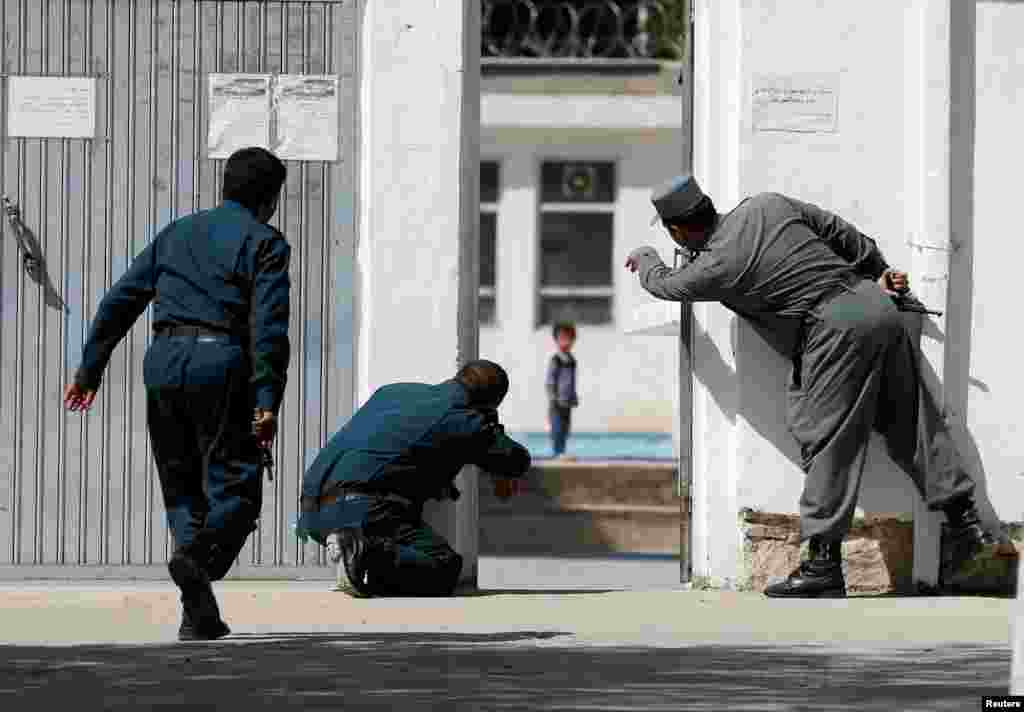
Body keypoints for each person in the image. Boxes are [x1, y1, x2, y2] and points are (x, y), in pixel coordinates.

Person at [625, 174, 999, 598]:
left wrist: (647, 257)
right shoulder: (766, 205)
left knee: (826, 438)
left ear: (677, 230)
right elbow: (843, 233)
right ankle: (970, 532)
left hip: (832, 331)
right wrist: (880, 274)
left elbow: (665, 285)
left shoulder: (715, 267)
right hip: (877, 307)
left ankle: (822, 565)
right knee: (911, 424)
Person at [64, 147, 291, 637]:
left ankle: (198, 615)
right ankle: (196, 559)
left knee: (181, 483)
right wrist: (267, 400)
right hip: (221, 361)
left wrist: (90, 370)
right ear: (271, 199)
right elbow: (268, 327)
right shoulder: (266, 243)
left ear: (225, 186)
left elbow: (121, 299)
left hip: (164, 361)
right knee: (236, 490)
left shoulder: (178, 232)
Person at [296, 360, 531, 598]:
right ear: (490, 401)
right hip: (360, 509)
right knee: (444, 566)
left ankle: (361, 560)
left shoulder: (392, 391)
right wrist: (492, 422)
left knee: (394, 560)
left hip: (312, 512)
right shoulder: (464, 420)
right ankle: (363, 551)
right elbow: (517, 460)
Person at [545, 322, 579, 458]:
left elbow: (571, 380)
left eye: (569, 338)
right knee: (557, 427)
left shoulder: (571, 360)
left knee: (566, 427)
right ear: (556, 340)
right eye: (563, 338)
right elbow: (550, 379)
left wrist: (573, 395)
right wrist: (553, 396)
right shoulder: (556, 360)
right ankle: (557, 451)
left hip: (567, 401)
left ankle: (562, 451)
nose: (566, 342)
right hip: (557, 401)